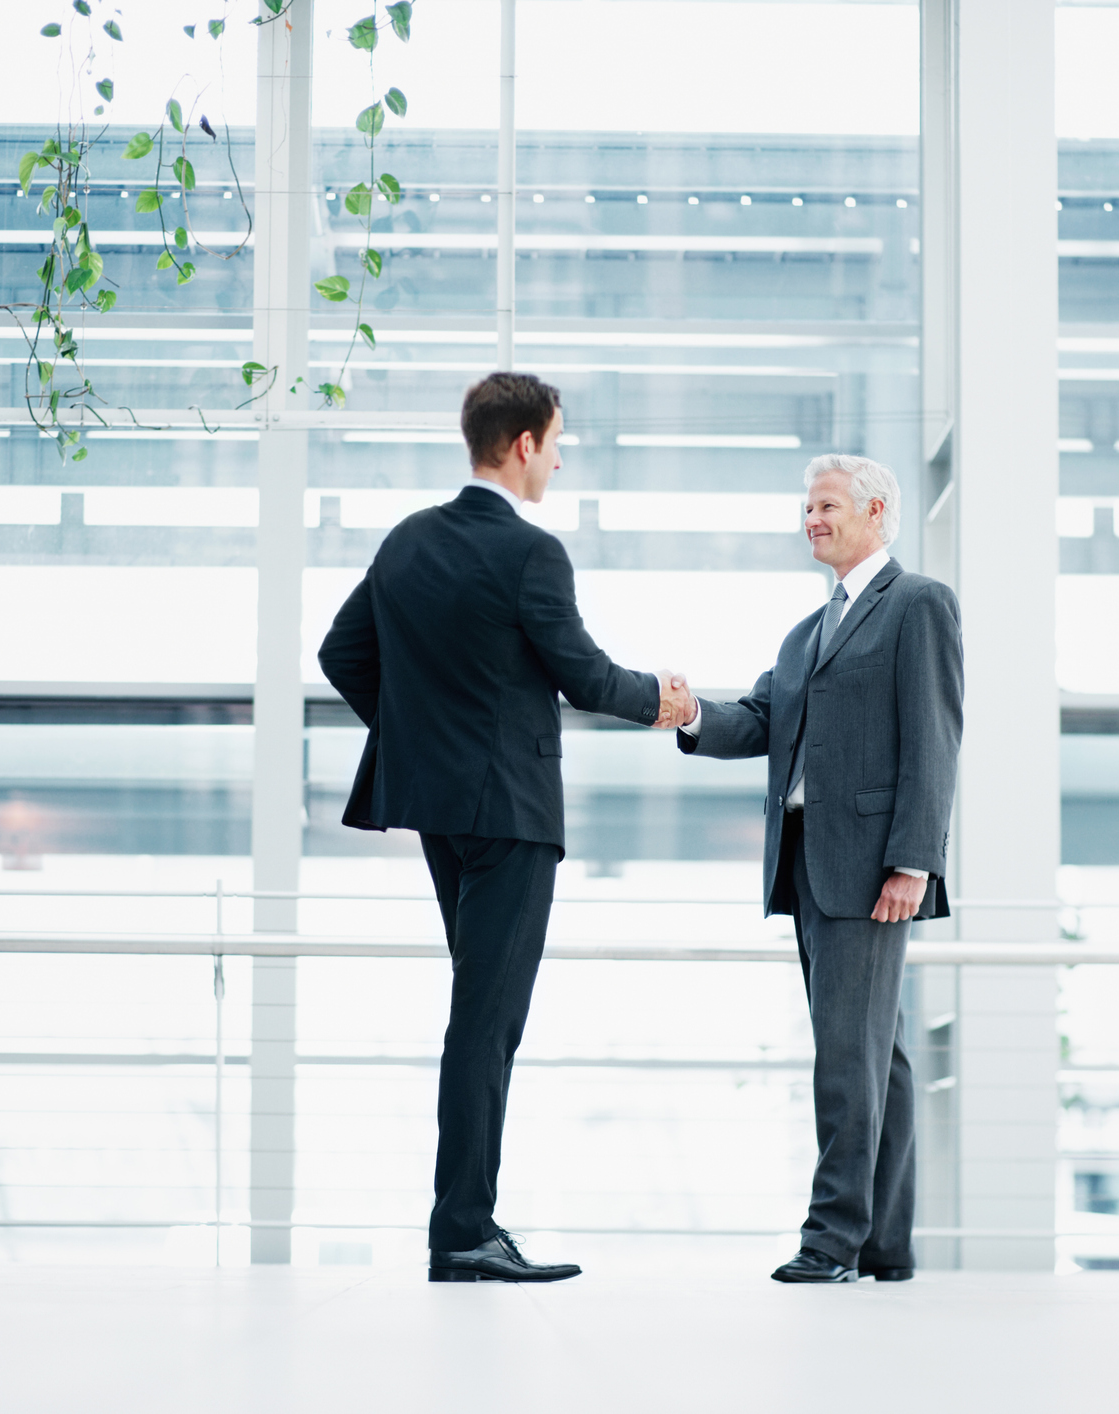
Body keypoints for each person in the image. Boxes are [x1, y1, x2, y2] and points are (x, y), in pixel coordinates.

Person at [318, 371, 695, 1284]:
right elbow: (584, 675)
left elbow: (342, 654)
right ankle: (463, 1233)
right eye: (556, 440)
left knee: (476, 1017)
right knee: (487, 1025)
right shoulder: (531, 553)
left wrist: (427, 740)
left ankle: (464, 1226)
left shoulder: (408, 540)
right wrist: (667, 704)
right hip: (513, 816)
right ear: (522, 443)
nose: (560, 458)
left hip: (439, 810)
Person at [674, 453, 962, 1283]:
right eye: (805, 507)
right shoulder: (806, 633)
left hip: (871, 868)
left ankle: (829, 1241)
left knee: (847, 1056)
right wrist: (688, 712)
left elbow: (934, 738)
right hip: (806, 866)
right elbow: (759, 719)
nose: (810, 519)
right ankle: (884, 1247)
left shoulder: (917, 605)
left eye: (826, 504)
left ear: (876, 511)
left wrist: (914, 860)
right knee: (876, 1055)